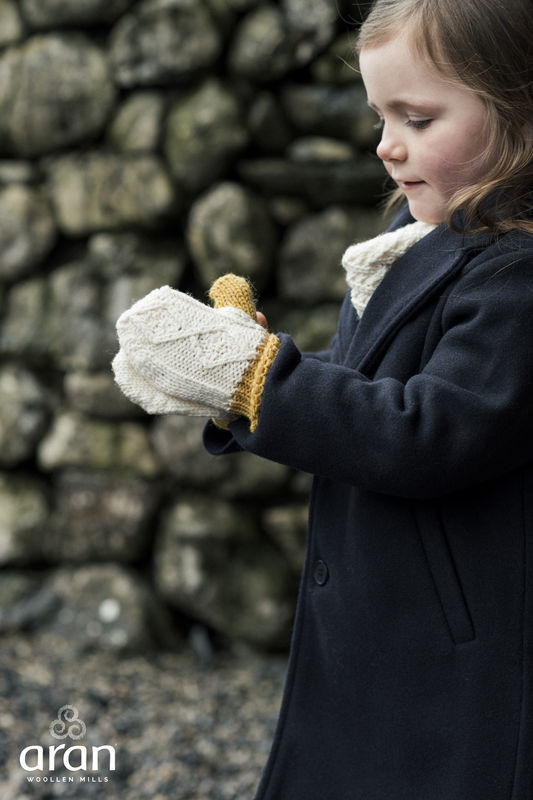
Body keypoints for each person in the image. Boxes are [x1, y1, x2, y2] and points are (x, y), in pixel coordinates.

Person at [112, 0, 533, 796]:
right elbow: (372, 386)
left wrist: (259, 378)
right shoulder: (422, 239)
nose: (386, 144)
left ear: (518, 108)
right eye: (380, 117)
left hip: (460, 661)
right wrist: (240, 374)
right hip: (389, 622)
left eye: (416, 118)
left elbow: (425, 432)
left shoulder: (518, 276)